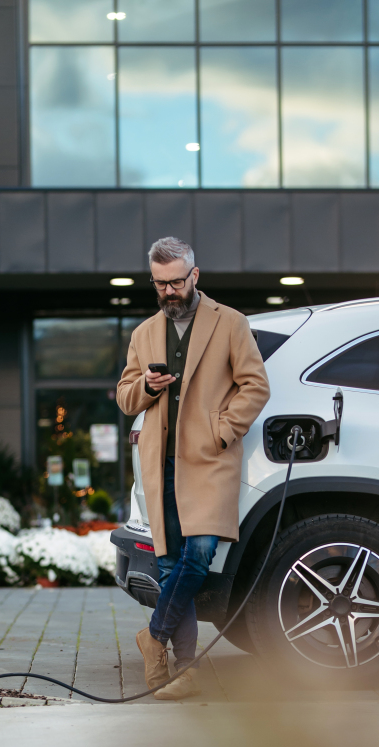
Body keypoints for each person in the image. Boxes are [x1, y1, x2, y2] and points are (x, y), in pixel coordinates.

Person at [116, 237, 270, 700]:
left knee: (198, 553)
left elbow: (255, 386)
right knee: (168, 565)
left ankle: (153, 636)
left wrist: (222, 429)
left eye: (177, 281)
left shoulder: (231, 323)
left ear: (195, 276)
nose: (169, 291)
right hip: (160, 462)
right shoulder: (143, 334)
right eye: (160, 284)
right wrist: (145, 384)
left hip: (209, 460)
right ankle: (183, 668)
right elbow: (125, 398)